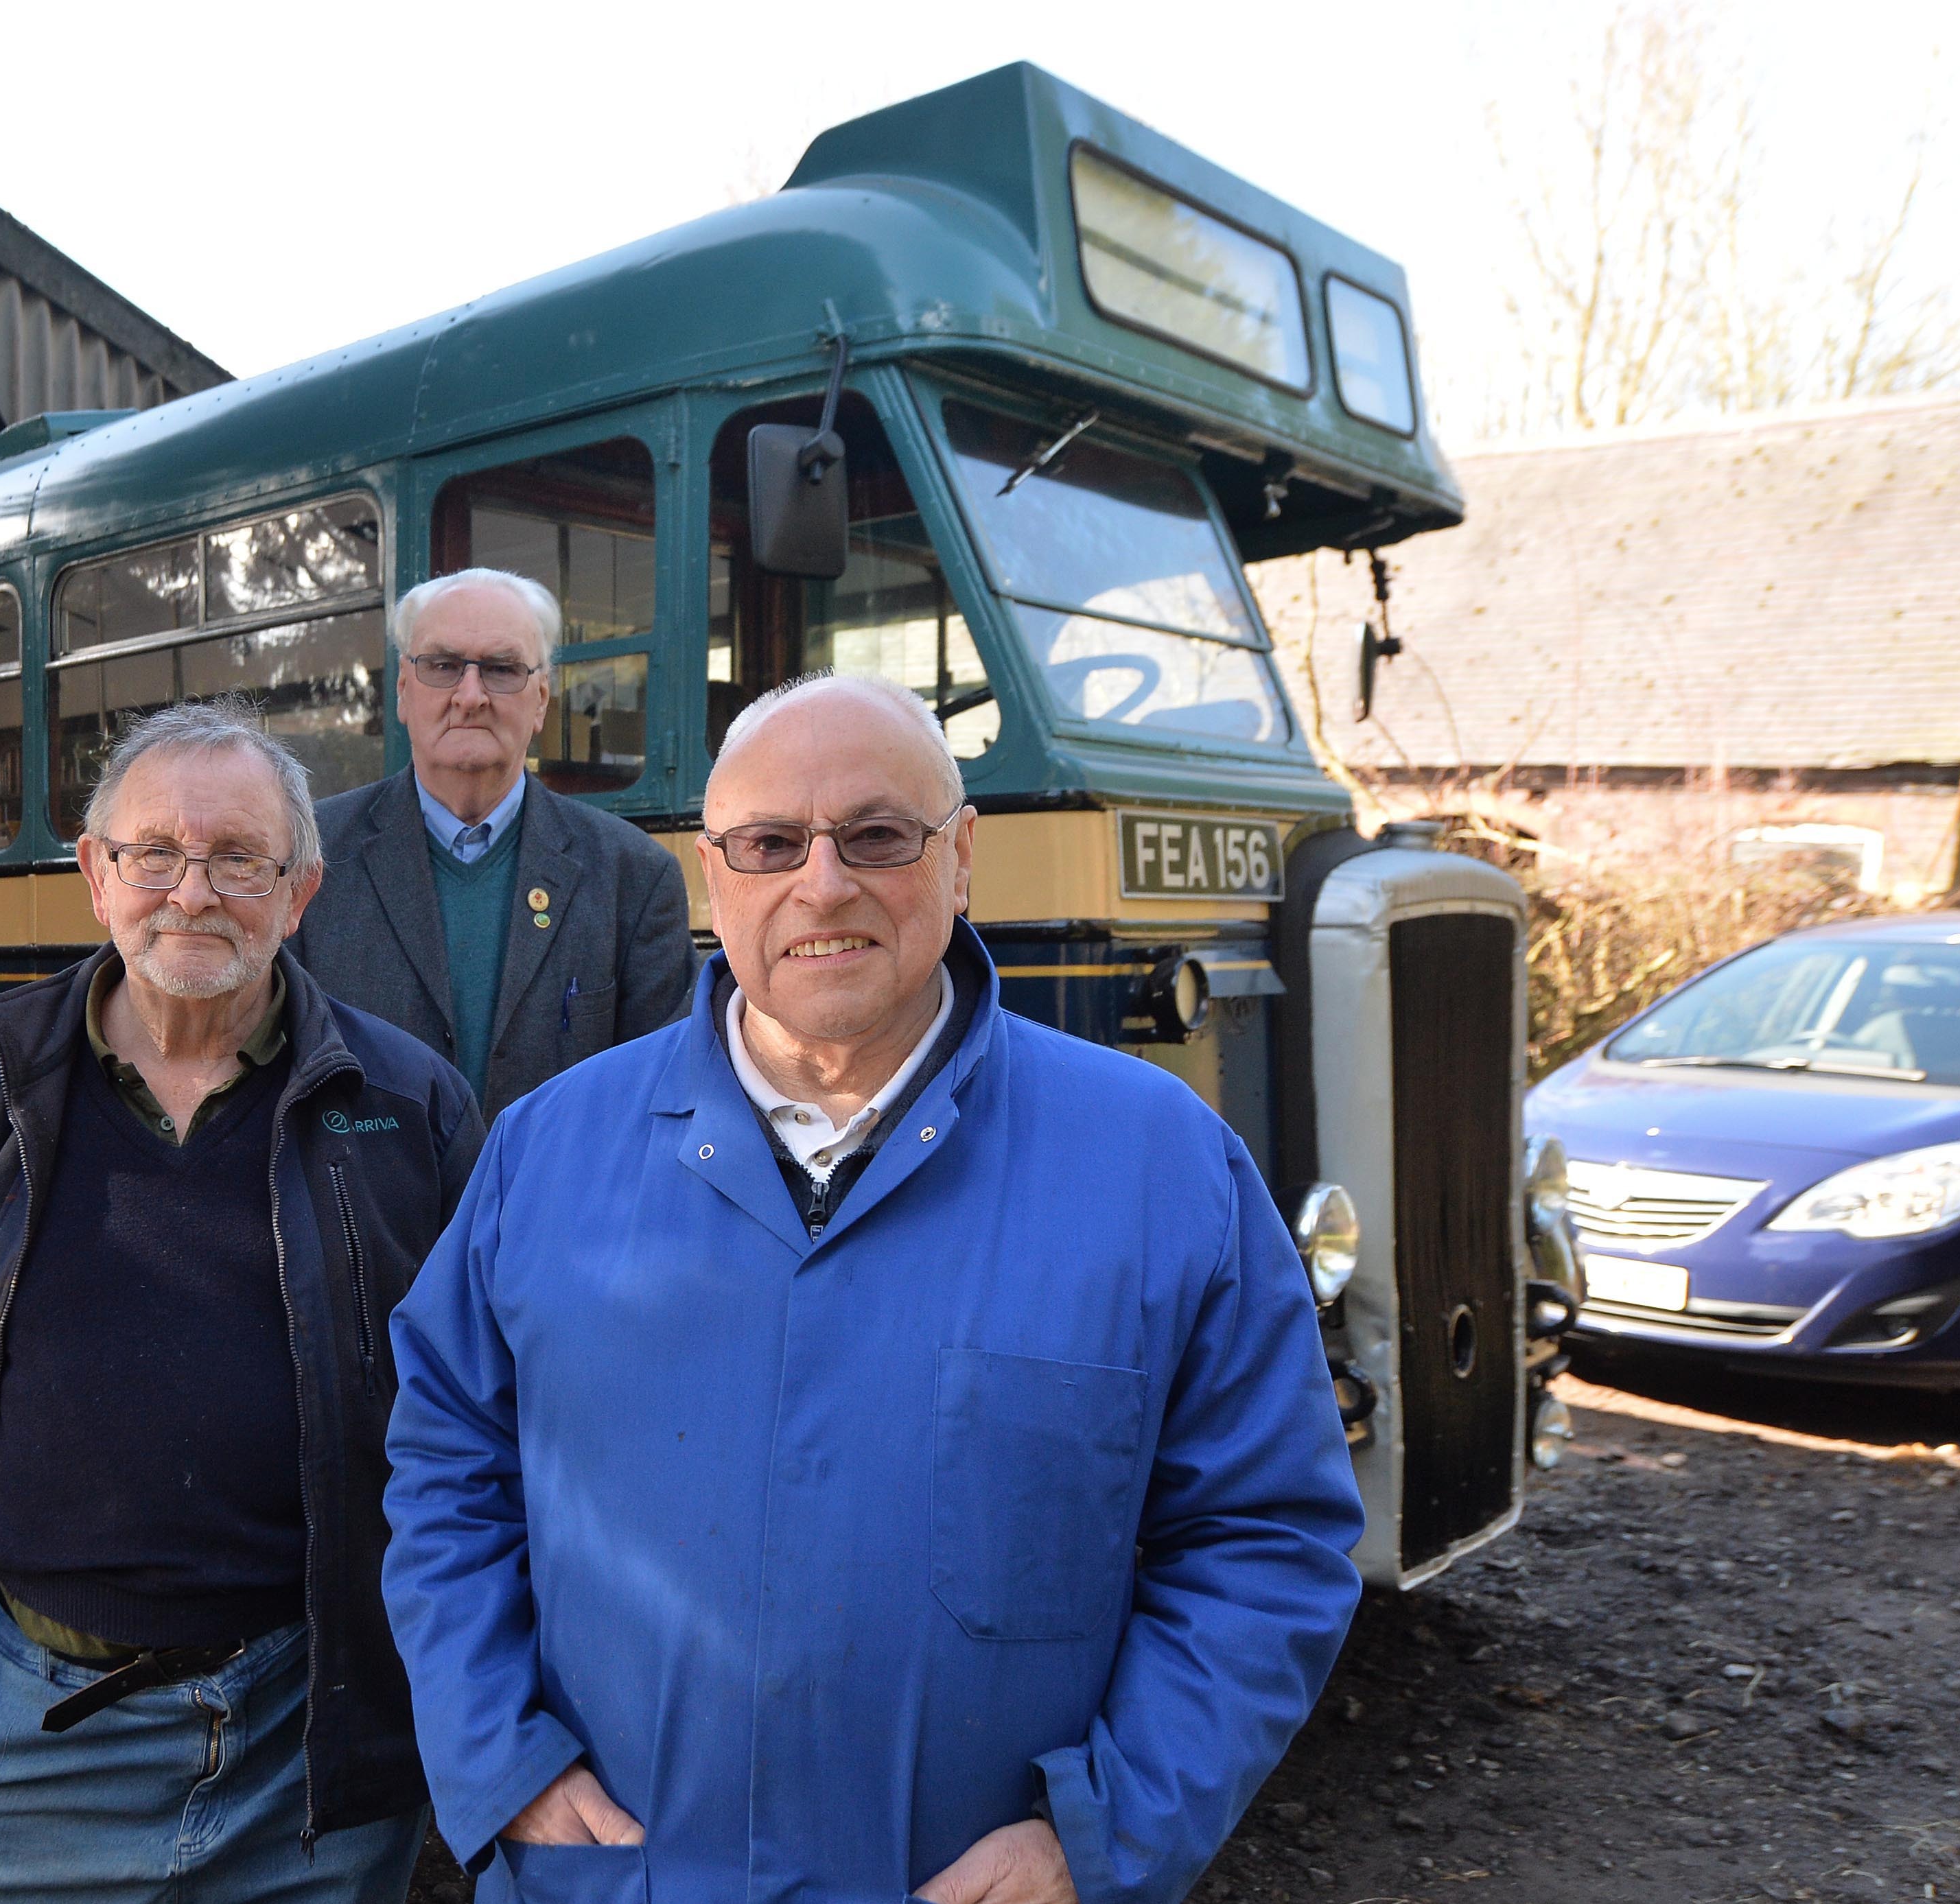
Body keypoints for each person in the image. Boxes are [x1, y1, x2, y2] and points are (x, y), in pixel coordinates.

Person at [381, 672, 1364, 1904]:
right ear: (710, 875)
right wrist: (496, 1758)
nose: (823, 882)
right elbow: (442, 1474)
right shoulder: (544, 1153)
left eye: (878, 836)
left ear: (961, 859)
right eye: (770, 844)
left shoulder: (1160, 1165)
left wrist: (1102, 1835)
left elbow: (1262, 1536)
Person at [0, 698, 480, 1904]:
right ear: (94, 873)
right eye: (154, 855)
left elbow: (485, 1409)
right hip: (22, 1739)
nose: (192, 892)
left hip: (308, 1746)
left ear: (298, 891)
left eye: (238, 860)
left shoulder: (405, 1106)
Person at [289, 569, 694, 1123]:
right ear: (404, 693)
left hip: (555, 1208)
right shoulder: (310, 859)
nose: (471, 695)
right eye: (443, 666)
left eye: (502, 669)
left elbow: (664, 1104)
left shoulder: (635, 878)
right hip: (369, 1207)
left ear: (542, 702)